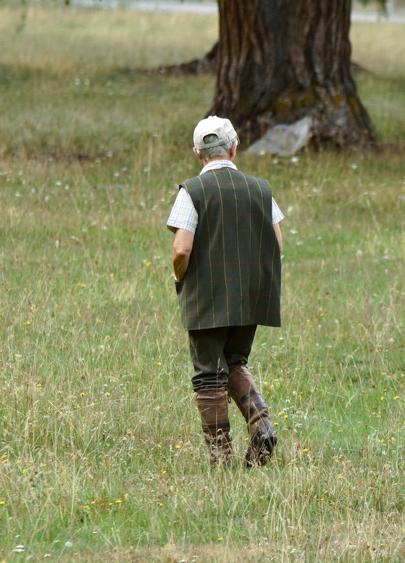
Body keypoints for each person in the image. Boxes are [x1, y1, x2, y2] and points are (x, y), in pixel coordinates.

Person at [166, 116, 284, 467]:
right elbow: (276, 242)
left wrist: (180, 279)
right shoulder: (260, 189)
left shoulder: (192, 191)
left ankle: (220, 458)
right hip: (252, 296)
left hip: (207, 298)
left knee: (208, 373)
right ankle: (261, 423)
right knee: (235, 361)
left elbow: (181, 249)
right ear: (234, 147)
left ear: (197, 154)